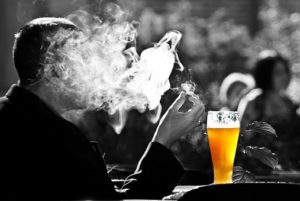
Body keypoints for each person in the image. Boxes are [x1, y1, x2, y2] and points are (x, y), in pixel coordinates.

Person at [0, 17, 205, 200]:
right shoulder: (53, 138)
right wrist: (164, 138)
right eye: (84, 61)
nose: (95, 72)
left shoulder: (13, 115)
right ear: (53, 71)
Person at [237, 50, 300, 171]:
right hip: (259, 172)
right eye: (278, 72)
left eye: (285, 71)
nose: (284, 76)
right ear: (265, 74)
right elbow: (242, 140)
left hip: (290, 171)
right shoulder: (253, 102)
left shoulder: (289, 103)